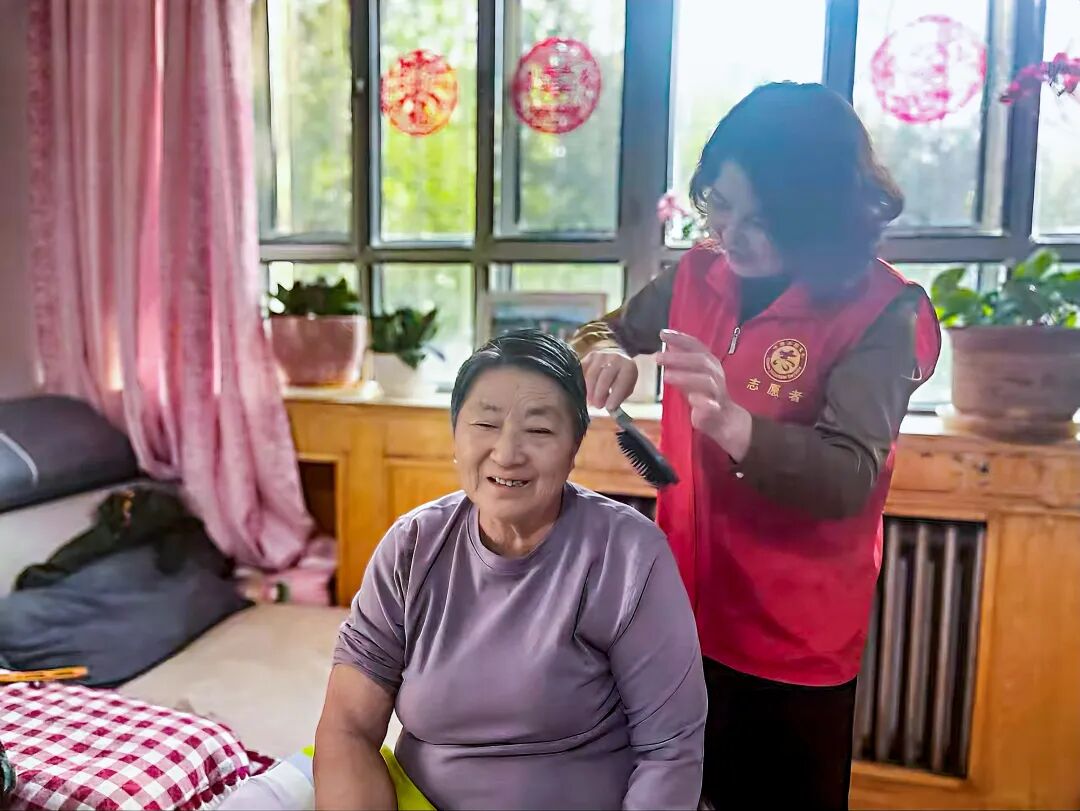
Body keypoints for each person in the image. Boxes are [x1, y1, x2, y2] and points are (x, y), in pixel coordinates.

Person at [572, 82, 941, 810]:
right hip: (678, 614)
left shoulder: (884, 310)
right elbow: (601, 329)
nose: (731, 233)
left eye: (761, 219)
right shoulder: (697, 273)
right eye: (720, 203)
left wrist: (735, 425)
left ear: (819, 217)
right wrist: (602, 351)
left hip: (792, 643)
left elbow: (848, 476)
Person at [314, 329, 708, 811]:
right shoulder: (412, 545)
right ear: (456, 435)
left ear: (574, 447)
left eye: (539, 431)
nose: (507, 453)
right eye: (485, 424)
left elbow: (670, 752)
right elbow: (348, 727)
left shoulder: (629, 555)